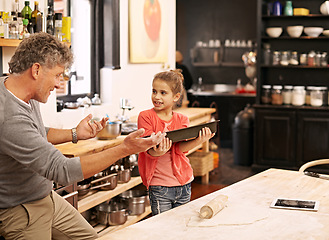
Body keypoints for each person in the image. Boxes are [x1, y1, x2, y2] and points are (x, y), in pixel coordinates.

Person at [0, 32, 165, 240]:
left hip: (45, 197)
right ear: (36, 70)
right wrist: (125, 148)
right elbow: (62, 170)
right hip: (21, 211)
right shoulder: (9, 117)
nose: (60, 83)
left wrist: (75, 133)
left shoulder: (20, 90)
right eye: (58, 75)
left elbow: (37, 132)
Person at [137, 70, 214, 215]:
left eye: (163, 93)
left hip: (184, 183)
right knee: (163, 229)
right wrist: (157, 151)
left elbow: (180, 149)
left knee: (180, 226)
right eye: (154, 91)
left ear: (176, 97)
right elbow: (146, 146)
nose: (156, 97)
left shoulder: (182, 119)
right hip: (160, 186)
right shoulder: (145, 117)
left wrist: (199, 140)